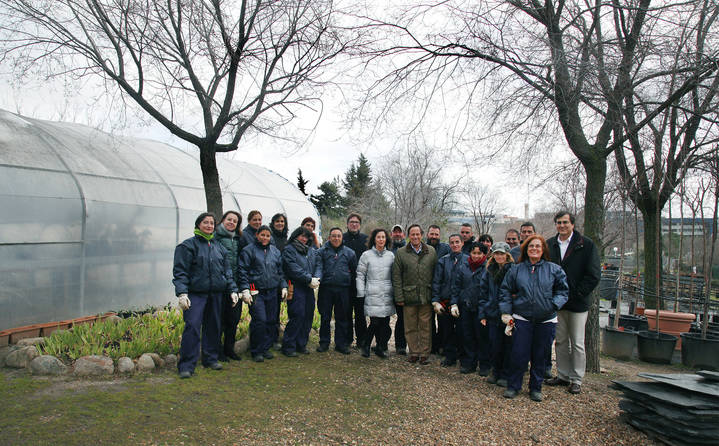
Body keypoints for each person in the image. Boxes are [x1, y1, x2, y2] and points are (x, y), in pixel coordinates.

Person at [499, 235, 569, 402]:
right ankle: (513, 385)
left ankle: (536, 387)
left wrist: (553, 305)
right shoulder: (516, 269)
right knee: (518, 354)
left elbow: (563, 291)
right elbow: (505, 291)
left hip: (546, 320)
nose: (534, 249)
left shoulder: (554, 269)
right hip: (522, 318)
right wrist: (506, 312)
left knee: (540, 355)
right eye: (531, 246)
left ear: (543, 249)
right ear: (526, 249)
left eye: (538, 246)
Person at [173, 213, 239, 378]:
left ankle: (210, 358)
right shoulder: (188, 246)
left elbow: (227, 271)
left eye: (211, 223)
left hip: (215, 294)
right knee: (193, 327)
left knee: (213, 327)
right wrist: (182, 292)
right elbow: (180, 271)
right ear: (198, 225)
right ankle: (186, 366)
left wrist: (232, 289)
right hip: (196, 294)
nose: (209, 225)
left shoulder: (218, 247)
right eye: (205, 222)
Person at [545, 211, 601, 395]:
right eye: (559, 223)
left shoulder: (586, 245)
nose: (562, 226)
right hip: (558, 302)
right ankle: (562, 375)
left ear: (572, 224)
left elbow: (593, 274)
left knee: (577, 342)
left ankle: (576, 379)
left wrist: (577, 294)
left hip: (578, 302)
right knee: (560, 341)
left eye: (565, 222)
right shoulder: (551, 245)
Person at [238, 224, 286, 362]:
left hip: (272, 290)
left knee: (271, 320)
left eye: (267, 235)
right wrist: (245, 289)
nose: (265, 238)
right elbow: (243, 271)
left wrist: (283, 286)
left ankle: (265, 348)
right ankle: (256, 350)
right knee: (260, 320)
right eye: (262, 235)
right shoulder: (248, 251)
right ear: (257, 235)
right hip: (256, 291)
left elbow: (280, 271)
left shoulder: (275, 251)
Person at [392, 224, 437, 364]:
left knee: (425, 326)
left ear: (422, 235)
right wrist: (399, 296)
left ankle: (424, 353)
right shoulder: (401, 252)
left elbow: (436, 274)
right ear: (408, 236)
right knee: (410, 326)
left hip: (426, 295)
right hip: (408, 295)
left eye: (418, 234)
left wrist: (435, 296)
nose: (415, 237)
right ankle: (413, 351)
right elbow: (397, 276)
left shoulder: (431, 251)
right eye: (413, 234)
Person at [449, 242, 489, 374]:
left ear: (484, 254)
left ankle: (484, 364)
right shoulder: (463, 267)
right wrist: (454, 303)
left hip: (481, 308)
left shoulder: (487, 268)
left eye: (479, 253)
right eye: (474, 253)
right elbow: (456, 286)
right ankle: (469, 362)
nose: (476, 256)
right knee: (467, 335)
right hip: (465, 306)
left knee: (482, 336)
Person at [478, 242, 514, 387]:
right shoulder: (488, 271)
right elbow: (483, 293)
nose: (499, 256)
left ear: (507, 255)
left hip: (508, 314)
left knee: (508, 345)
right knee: (494, 344)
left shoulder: (513, 271)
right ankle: (496, 371)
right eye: (496, 254)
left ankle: (505, 374)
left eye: (502, 254)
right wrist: (482, 314)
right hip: (492, 312)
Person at [316, 228, 357, 354]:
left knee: (342, 317)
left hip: (343, 289)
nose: (336, 238)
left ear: (342, 238)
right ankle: (324, 342)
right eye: (333, 236)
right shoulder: (321, 252)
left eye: (339, 236)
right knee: (325, 317)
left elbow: (354, 271)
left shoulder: (349, 253)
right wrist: (317, 279)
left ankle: (341, 344)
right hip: (326, 288)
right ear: (329, 237)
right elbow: (318, 267)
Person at [282, 226, 321, 357]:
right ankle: (288, 346)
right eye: (302, 236)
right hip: (296, 286)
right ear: (296, 235)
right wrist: (309, 278)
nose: (304, 239)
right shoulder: (289, 250)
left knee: (308, 315)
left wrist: (316, 277)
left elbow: (318, 265)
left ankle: (301, 344)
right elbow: (292, 268)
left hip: (309, 288)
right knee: (297, 315)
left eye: (307, 237)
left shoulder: (311, 251)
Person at [357, 228, 395, 359]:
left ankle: (380, 347)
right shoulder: (366, 255)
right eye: (378, 237)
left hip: (386, 294)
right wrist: (360, 292)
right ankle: (365, 344)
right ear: (374, 239)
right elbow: (360, 275)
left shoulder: (391, 256)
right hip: (372, 293)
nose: (381, 240)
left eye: (383, 237)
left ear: (386, 239)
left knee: (385, 324)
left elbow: (394, 275)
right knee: (374, 322)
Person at [214, 210, 247, 362]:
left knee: (233, 319)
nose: (232, 223)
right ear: (223, 220)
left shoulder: (239, 239)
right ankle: (217, 351)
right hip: (220, 285)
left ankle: (229, 349)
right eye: (229, 219)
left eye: (235, 221)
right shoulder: (215, 237)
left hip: (236, 286)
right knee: (219, 320)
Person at [431, 233, 466, 367]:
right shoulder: (443, 261)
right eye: (452, 242)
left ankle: (463, 357)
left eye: (457, 242)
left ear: (462, 243)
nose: (455, 245)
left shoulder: (468, 261)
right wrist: (435, 300)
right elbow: (437, 282)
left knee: (462, 330)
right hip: (445, 300)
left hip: (461, 302)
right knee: (446, 330)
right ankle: (449, 356)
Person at [343, 213, 368, 348]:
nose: (354, 224)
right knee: (346, 312)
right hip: (345, 282)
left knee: (360, 313)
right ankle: (347, 339)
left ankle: (362, 340)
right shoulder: (342, 238)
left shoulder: (365, 240)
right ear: (347, 224)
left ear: (360, 225)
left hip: (361, 282)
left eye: (356, 222)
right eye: (351, 222)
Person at [269, 212, 288, 350]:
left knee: (276, 310)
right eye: (277, 221)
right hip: (271, 278)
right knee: (270, 311)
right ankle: (269, 339)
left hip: (282, 278)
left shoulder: (286, 239)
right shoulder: (270, 238)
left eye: (282, 221)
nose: (280, 224)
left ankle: (275, 338)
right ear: (273, 223)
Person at [390, 224, 407, 355]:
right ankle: (381, 343)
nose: (397, 234)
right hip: (388, 288)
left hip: (403, 289)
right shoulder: (387, 248)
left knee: (403, 318)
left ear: (403, 235)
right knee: (383, 318)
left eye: (399, 232)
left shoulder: (408, 249)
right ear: (391, 235)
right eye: (395, 232)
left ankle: (401, 346)